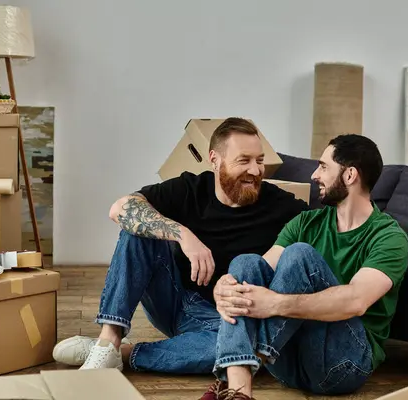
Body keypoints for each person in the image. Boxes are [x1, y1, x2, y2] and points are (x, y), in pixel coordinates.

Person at [52, 117, 309, 374]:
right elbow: (119, 208)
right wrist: (183, 235)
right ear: (215, 159)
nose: (255, 170)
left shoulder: (280, 205)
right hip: (173, 299)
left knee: (242, 350)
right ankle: (108, 342)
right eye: (244, 160)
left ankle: (126, 354)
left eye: (260, 160)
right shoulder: (190, 188)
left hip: (224, 322)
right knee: (138, 229)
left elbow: (326, 226)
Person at [200, 134, 408, 400]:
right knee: (245, 263)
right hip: (285, 361)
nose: (314, 175)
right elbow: (258, 271)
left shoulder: (389, 236)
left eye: (323, 167)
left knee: (300, 254)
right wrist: (225, 286)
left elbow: (356, 301)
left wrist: (274, 304)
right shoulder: (306, 223)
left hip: (342, 365)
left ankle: (241, 370)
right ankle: (239, 392)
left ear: (350, 175)